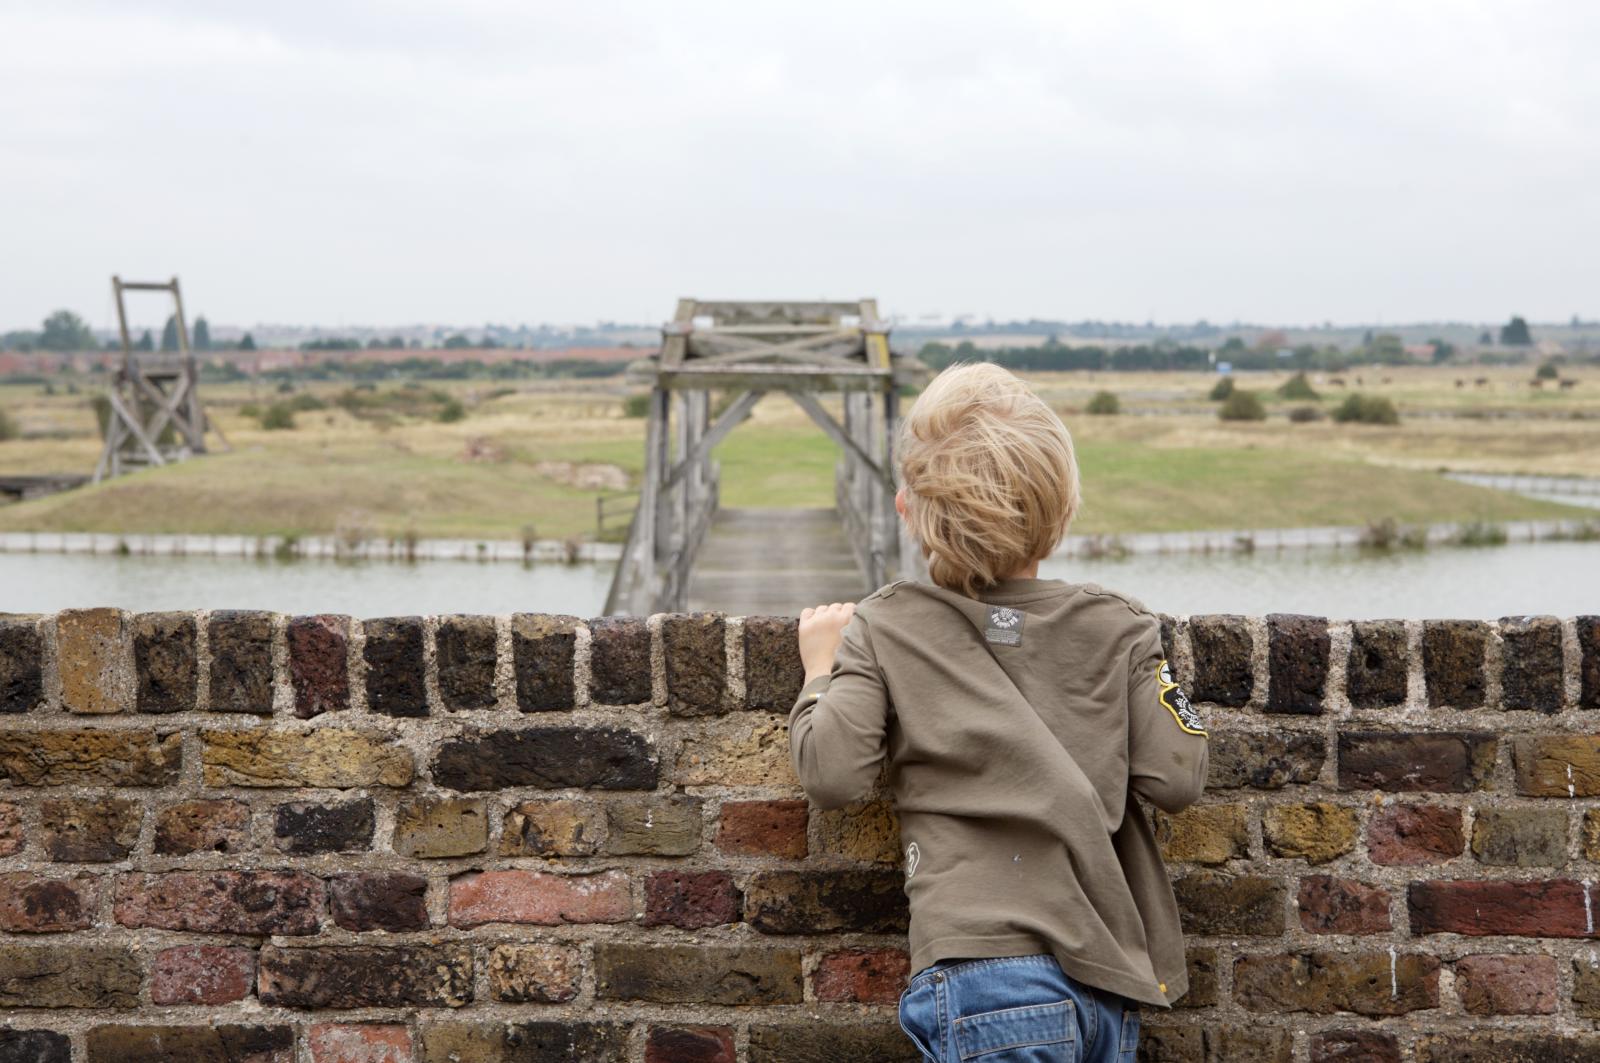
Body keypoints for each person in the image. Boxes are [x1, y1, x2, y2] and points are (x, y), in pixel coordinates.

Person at [790, 362, 1209, 1063]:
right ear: (1063, 508)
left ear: (909, 509)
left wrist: (819, 671)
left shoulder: (887, 625)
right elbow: (1179, 779)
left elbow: (832, 772)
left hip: (980, 970)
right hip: (1106, 979)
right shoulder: (1121, 625)